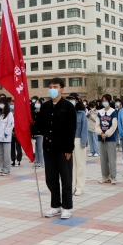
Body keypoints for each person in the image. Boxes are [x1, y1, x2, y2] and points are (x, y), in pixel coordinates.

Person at [40, 78, 76, 220]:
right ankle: (55, 206)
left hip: (63, 148)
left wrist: (69, 149)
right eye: (50, 87)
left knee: (66, 179)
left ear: (62, 89)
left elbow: (71, 129)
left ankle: (67, 207)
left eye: (55, 87)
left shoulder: (68, 106)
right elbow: (41, 126)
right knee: (51, 179)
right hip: (49, 148)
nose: (52, 89)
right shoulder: (45, 106)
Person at [67, 93, 88, 196]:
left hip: (78, 139)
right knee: (71, 165)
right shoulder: (66, 112)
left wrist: (83, 142)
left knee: (80, 165)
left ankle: (80, 187)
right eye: (69, 99)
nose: (71, 101)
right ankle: (72, 186)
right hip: (69, 140)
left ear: (77, 100)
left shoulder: (81, 113)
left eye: (73, 99)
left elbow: (84, 129)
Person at [96, 94, 118, 184]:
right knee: (103, 158)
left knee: (112, 158)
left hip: (110, 138)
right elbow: (97, 125)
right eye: (103, 101)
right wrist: (101, 133)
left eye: (106, 100)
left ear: (110, 101)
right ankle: (105, 176)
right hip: (101, 137)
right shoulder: (100, 112)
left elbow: (114, 125)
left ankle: (113, 177)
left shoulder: (113, 112)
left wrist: (107, 134)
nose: (104, 102)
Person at [0, 97, 14, 176]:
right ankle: (1, 168)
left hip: (6, 138)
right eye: (0, 103)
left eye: (2, 103)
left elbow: (10, 125)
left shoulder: (9, 114)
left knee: (6, 155)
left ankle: (7, 169)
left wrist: (6, 133)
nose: (1, 104)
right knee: (0, 154)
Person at [31, 100, 44, 167]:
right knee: (36, 148)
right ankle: (36, 161)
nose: (37, 104)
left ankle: (41, 162)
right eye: (36, 103)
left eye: (38, 103)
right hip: (34, 133)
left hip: (40, 133)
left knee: (40, 148)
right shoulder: (32, 112)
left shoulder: (42, 112)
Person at [10, 101, 23, 167]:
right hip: (10, 132)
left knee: (18, 147)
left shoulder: (18, 113)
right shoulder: (9, 113)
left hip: (17, 132)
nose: (11, 105)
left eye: (13, 104)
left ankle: (19, 159)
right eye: (10, 104)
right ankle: (13, 160)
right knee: (12, 147)